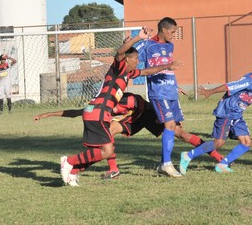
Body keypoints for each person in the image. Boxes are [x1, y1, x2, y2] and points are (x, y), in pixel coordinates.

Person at [59, 27, 182, 186]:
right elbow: (120, 52)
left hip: (100, 114)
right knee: (105, 151)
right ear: (127, 60)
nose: (138, 61)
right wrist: (138, 38)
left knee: (104, 151)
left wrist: (166, 66)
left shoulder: (128, 74)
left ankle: (72, 170)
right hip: (98, 112)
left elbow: (146, 71)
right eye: (136, 58)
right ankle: (69, 162)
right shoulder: (117, 69)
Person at [35, 93, 223, 179]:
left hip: (148, 115)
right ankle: (112, 169)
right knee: (106, 137)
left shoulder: (127, 100)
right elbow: (76, 111)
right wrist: (48, 114)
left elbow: (140, 102)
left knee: (181, 134)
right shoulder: (98, 106)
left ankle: (217, 157)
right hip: (132, 120)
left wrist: (164, 116)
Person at [180, 56, 252, 174]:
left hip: (237, 115)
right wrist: (210, 91)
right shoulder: (249, 80)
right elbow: (228, 86)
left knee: (247, 143)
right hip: (226, 112)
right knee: (218, 143)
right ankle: (188, 156)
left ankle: (223, 164)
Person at [134, 17, 184, 177]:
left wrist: (176, 86)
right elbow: (132, 56)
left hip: (171, 91)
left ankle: (164, 163)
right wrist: (131, 41)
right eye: (172, 32)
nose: (174, 35)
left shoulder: (170, 46)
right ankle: (167, 164)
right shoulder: (148, 45)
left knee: (175, 127)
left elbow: (167, 69)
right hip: (158, 92)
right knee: (169, 125)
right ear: (163, 30)